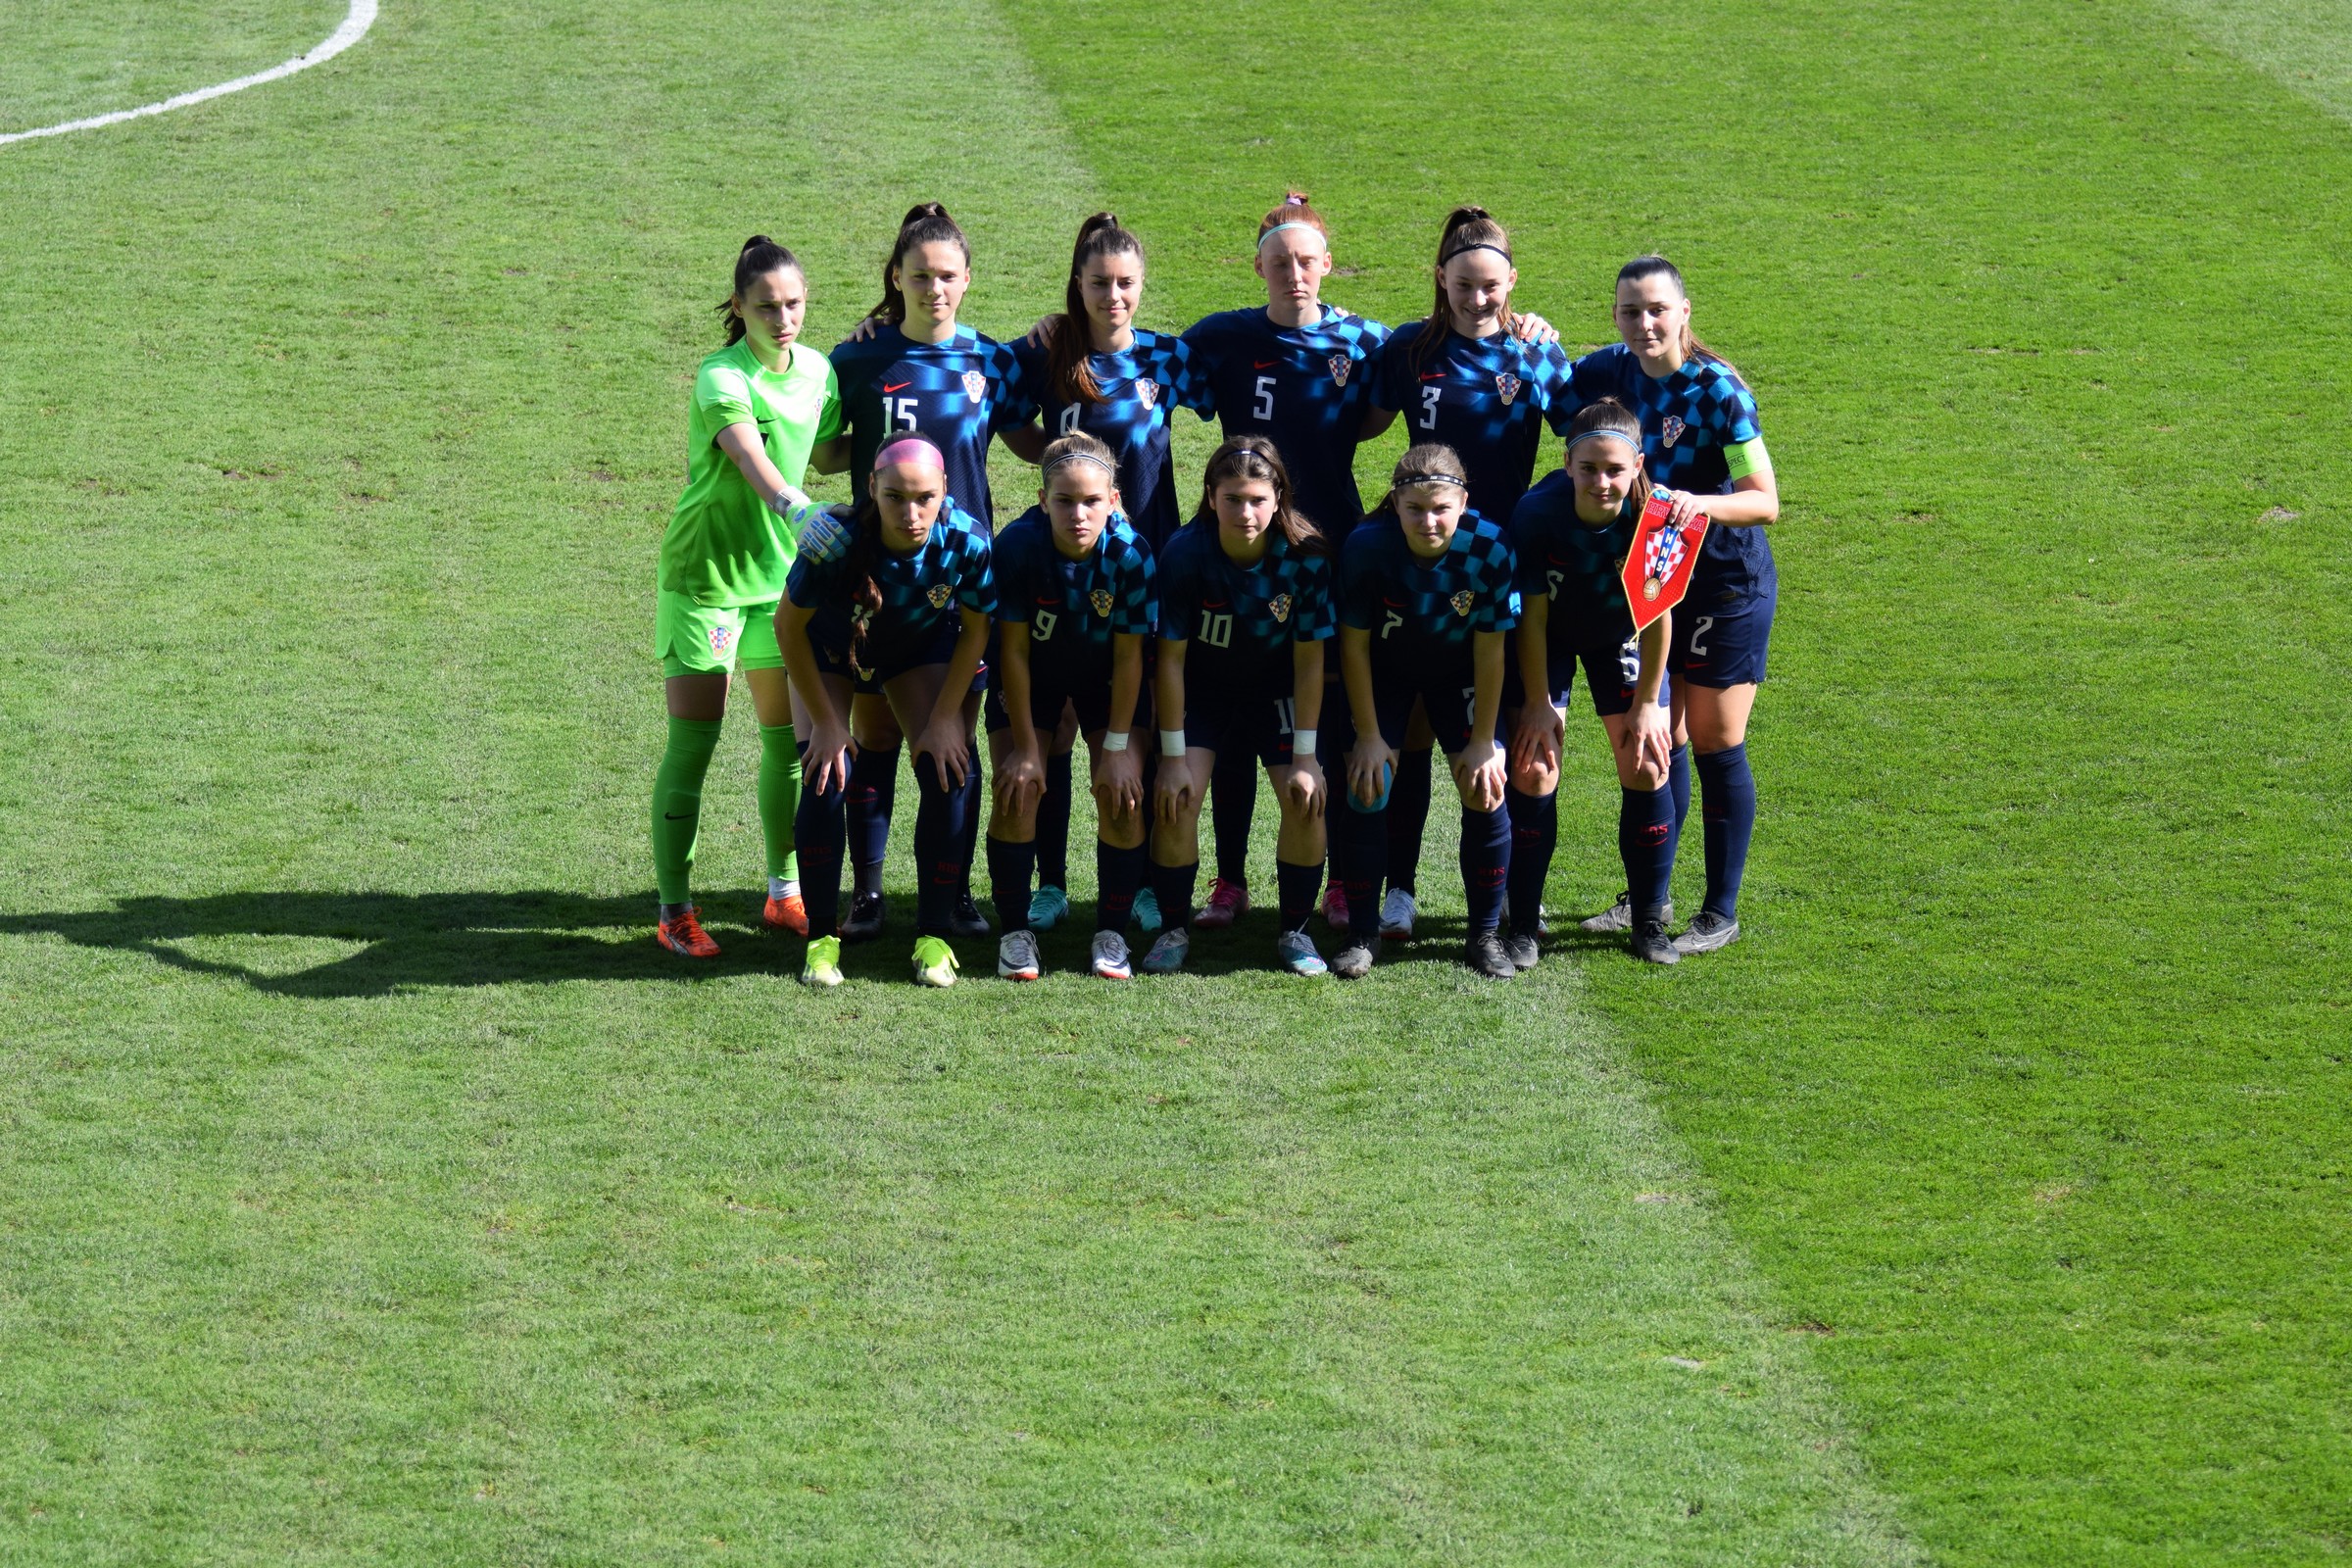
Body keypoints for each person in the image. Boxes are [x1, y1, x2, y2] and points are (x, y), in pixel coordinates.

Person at [1359, 204, 1575, 945]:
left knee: (1516, 741)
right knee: (1417, 731)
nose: (1478, 298)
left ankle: (1517, 899)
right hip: (1422, 561)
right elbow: (1356, 420)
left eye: (1491, 286)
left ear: (1512, 281)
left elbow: (1588, 438)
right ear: (1440, 280)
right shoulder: (1409, 349)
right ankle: (1400, 890)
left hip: (1506, 567)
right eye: (1463, 285)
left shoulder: (1537, 354)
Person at [1558, 256, 1779, 954]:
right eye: (1630, 311)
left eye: (1657, 309)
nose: (1644, 323)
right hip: (1652, 585)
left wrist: (1696, 504)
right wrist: (1527, 332)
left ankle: (1720, 911)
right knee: (1663, 738)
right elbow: (1546, 396)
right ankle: (1649, 896)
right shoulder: (1606, 371)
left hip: (1723, 584)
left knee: (1714, 739)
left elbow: (1764, 500)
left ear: (1684, 312)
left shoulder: (1718, 390)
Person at [828, 204, 1035, 942]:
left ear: (968, 279)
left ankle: (953, 892)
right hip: (874, 582)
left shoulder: (993, 362)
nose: (934, 289)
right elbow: (825, 451)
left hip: (959, 578)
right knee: (876, 735)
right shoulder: (858, 359)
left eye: (947, 276)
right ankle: (868, 893)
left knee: (951, 741)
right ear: (896, 278)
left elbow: (1030, 440)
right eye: (920, 276)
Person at [1004, 213, 1212, 936]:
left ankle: (1146, 883)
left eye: (1126, 283)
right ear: (1078, 283)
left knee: (1142, 719)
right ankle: (1051, 883)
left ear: (1142, 285)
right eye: (1099, 283)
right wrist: (1055, 462)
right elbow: (997, 400)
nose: (1113, 296)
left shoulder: (1167, 357)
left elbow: (1234, 380)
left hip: (1148, 563)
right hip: (1067, 561)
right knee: (1059, 725)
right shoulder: (1047, 352)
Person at [651, 236, 847, 958]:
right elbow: (749, 455)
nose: (783, 318)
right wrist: (798, 509)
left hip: (777, 584)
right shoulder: (721, 375)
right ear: (739, 306)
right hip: (705, 580)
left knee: (784, 744)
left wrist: (910, 424)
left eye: (794, 304)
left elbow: (827, 450)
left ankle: (783, 891)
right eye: (767, 306)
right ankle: (675, 911)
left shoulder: (818, 370)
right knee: (694, 743)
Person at [776, 436, 995, 988]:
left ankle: (933, 938)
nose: (910, 513)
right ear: (871, 488)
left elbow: (977, 630)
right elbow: (788, 627)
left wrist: (944, 720)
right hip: (831, 649)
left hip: (914, 648)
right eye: (895, 497)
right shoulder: (836, 541)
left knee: (950, 770)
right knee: (826, 774)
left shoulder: (967, 540)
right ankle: (821, 943)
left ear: (945, 491)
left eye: (925, 498)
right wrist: (829, 724)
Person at [1136, 435, 1335, 978]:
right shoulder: (1184, 553)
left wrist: (1306, 756)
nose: (1246, 513)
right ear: (1211, 496)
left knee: (1305, 798)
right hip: (1204, 692)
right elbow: (1170, 661)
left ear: (1278, 499)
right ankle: (1172, 929)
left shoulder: (1306, 555)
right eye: (1233, 499)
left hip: (1277, 694)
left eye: (1257, 500)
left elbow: (1310, 662)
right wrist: (1171, 757)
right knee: (1176, 798)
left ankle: (1295, 931)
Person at [1328, 444, 1520, 980]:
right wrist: (1369, 735)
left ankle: (1484, 934)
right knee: (1367, 785)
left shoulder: (1491, 547)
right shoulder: (1367, 546)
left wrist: (1483, 741)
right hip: (1385, 673)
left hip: (1459, 675)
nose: (1428, 521)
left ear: (1464, 503)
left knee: (1485, 787)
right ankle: (1362, 934)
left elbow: (1491, 652)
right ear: (1395, 504)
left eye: (1441, 509)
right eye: (1415, 508)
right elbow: (1353, 648)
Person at [1504, 402, 1680, 966]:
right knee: (1533, 768)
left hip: (1620, 635)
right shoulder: (1535, 513)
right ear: (1567, 464)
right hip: (1550, 636)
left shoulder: (1657, 517)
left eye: (1614, 470)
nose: (1602, 482)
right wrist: (1537, 703)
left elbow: (1659, 616)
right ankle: (1522, 923)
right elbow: (1532, 617)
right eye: (1588, 469)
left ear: (1638, 466)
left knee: (1647, 762)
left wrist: (1648, 703)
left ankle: (1648, 920)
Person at [984, 432, 1157, 981]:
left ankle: (1111, 933)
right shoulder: (1017, 547)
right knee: (1016, 792)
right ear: (1042, 500)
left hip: (1106, 678)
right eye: (1064, 501)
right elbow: (1012, 651)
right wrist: (1026, 748)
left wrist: (1117, 750)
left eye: (1091, 501)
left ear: (1113, 500)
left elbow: (1130, 659)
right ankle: (1016, 933)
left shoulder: (1131, 554)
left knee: (1123, 796)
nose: (1078, 514)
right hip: (1033, 674)